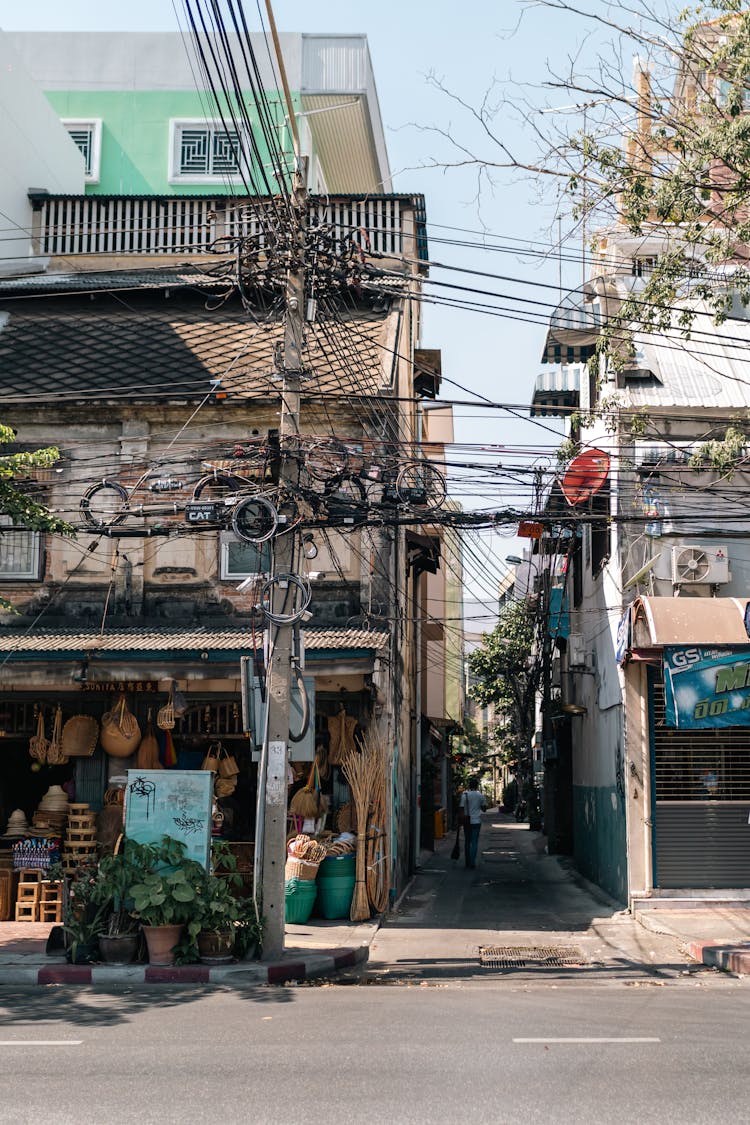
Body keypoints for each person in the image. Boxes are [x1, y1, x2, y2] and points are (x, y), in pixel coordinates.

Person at [460, 778, 487, 869]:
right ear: (477, 786)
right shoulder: (480, 795)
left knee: (467, 841)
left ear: (469, 785)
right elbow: (484, 809)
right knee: (474, 841)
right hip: (476, 821)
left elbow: (461, 808)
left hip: (467, 821)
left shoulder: (464, 795)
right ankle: (472, 862)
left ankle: (467, 861)